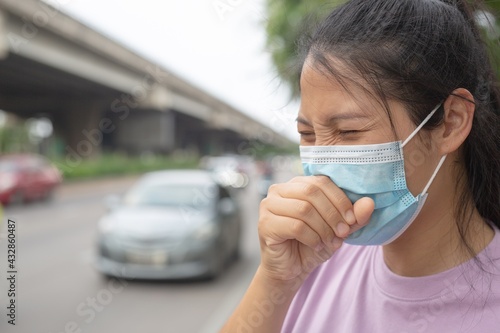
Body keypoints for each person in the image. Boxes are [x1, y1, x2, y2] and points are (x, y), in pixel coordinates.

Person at [221, 0, 500, 332]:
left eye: (349, 131)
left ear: (451, 122)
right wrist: (275, 281)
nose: (322, 169)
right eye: (307, 134)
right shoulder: (313, 260)